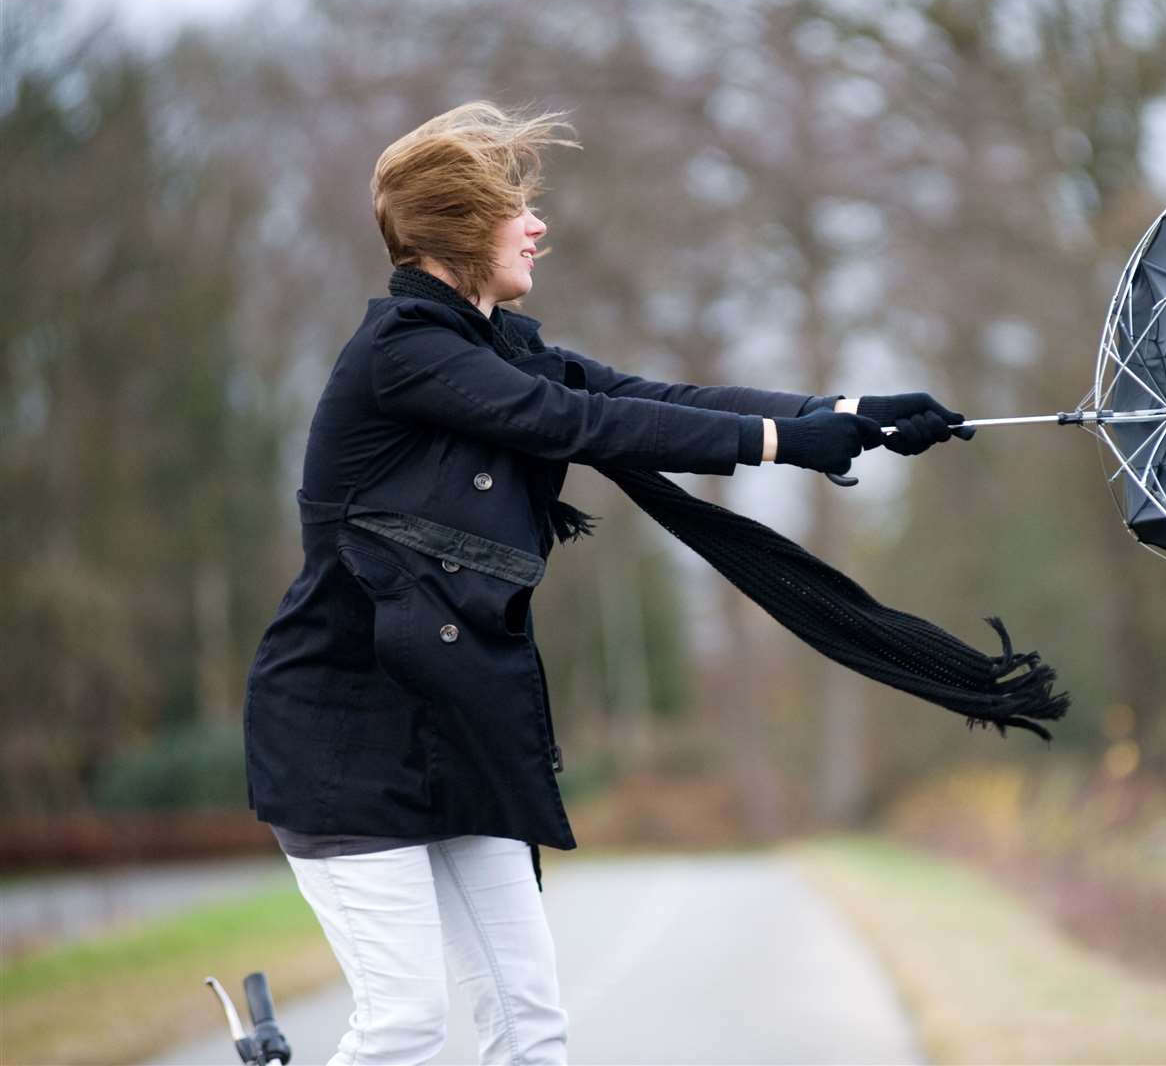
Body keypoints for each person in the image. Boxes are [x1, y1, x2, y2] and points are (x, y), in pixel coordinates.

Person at [241, 100, 972, 1065]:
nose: (537, 225)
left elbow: (642, 399)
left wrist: (843, 412)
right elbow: (575, 425)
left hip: (461, 727)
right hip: (346, 734)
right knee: (406, 1025)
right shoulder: (405, 355)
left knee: (531, 1024)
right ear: (461, 227)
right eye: (515, 208)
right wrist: (783, 441)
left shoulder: (498, 346)